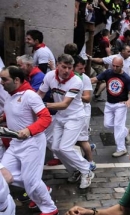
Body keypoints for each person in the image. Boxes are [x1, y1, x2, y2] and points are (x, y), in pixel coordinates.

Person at [0, 66, 59, 215]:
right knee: (4, 174)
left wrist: (29, 130)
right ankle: (39, 188)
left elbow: (45, 118)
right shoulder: (10, 96)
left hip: (32, 143)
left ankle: (50, 208)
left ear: (17, 80)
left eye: (4, 79)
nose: (1, 82)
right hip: (15, 143)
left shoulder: (30, 96)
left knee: (31, 180)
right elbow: (11, 111)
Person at [38, 54, 95, 189]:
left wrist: (42, 106)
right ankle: (74, 170)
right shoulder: (49, 76)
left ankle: (86, 170)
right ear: (58, 65)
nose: (67, 70)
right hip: (60, 116)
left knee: (65, 147)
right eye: (64, 67)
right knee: (55, 148)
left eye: (69, 68)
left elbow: (64, 104)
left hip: (75, 117)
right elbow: (39, 94)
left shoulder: (76, 81)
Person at [91, 57, 130, 157]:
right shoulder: (108, 73)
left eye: (117, 66)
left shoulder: (126, 78)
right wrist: (82, 80)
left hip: (121, 105)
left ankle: (121, 149)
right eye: (113, 65)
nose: (114, 68)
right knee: (107, 125)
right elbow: (95, 79)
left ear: (122, 66)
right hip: (109, 104)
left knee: (118, 126)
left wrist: (128, 101)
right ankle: (126, 131)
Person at [73, 56, 96, 171]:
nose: (83, 71)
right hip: (71, 113)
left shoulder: (85, 78)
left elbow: (87, 98)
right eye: (80, 68)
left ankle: (90, 162)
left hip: (83, 111)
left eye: (83, 68)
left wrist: (73, 96)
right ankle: (88, 148)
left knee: (82, 139)